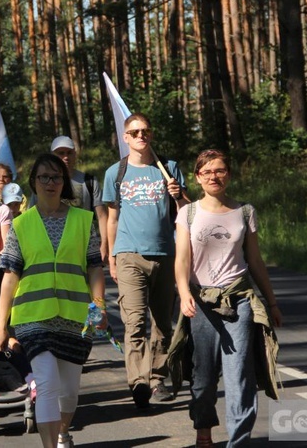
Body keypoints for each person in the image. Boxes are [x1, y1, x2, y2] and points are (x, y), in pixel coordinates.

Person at [172, 149, 282, 448]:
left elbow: (255, 261)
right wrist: (183, 294)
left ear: (229, 174)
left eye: (219, 171)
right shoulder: (188, 213)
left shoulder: (245, 211)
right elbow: (181, 260)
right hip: (201, 303)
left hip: (240, 301)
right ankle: (204, 429)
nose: (214, 177)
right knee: (204, 377)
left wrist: (271, 303)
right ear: (197, 177)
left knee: (239, 378)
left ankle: (238, 441)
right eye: (207, 172)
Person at [0, 153, 106, 448]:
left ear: (64, 182)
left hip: (75, 317)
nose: (50, 182)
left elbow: (95, 267)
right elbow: (10, 276)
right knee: (46, 385)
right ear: (33, 182)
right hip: (33, 317)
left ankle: (62, 432)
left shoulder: (84, 220)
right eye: (43, 177)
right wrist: (1, 324)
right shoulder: (21, 225)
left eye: (56, 177)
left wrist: (99, 305)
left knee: (68, 391)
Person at [101, 113, 189, 409]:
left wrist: (178, 196)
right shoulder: (116, 172)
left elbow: (188, 213)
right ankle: (139, 382)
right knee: (134, 322)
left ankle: (157, 379)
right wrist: (112, 257)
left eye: (145, 131)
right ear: (125, 137)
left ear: (151, 135)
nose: (140, 136)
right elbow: (112, 218)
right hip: (129, 255)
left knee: (162, 324)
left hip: (165, 254)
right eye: (134, 132)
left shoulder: (169, 168)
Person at [51, 136, 109, 262]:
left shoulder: (89, 181)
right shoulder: (44, 183)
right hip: (51, 248)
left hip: (84, 248)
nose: (66, 157)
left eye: (69, 153)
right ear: (53, 155)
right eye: (61, 153)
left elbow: (102, 216)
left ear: (75, 154)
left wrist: (104, 245)